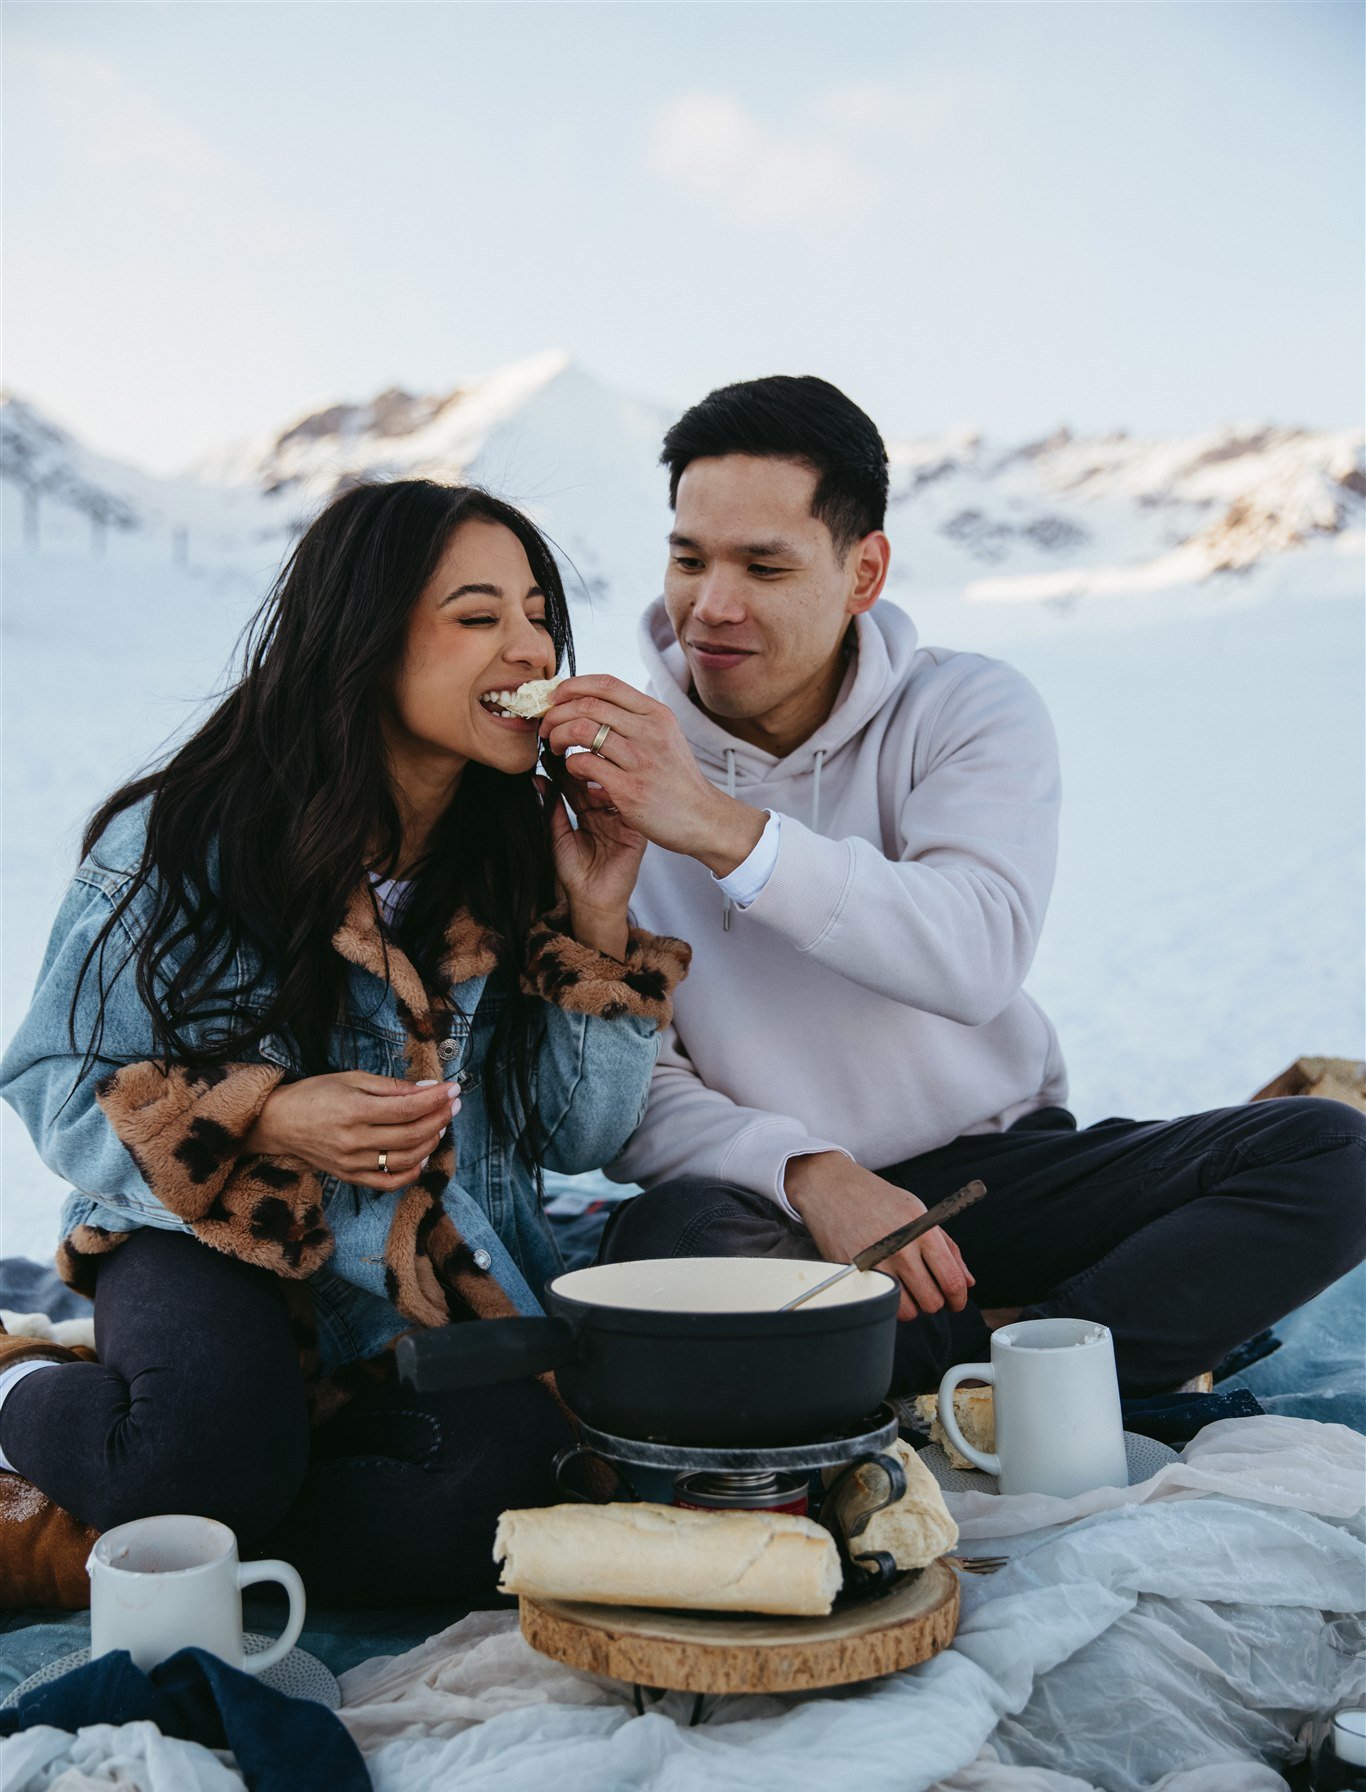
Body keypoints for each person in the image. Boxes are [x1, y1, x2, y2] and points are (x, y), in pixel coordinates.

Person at [539, 375, 1365, 1397]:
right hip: (781, 1205)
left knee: (1331, 1157)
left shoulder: (964, 707)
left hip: (997, 1176)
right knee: (669, 1246)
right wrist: (809, 1169)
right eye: (688, 557)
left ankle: (931, 1365)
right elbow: (637, 1087)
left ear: (863, 571)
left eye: (763, 564)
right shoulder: (605, 767)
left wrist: (715, 825)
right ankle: (1057, 1351)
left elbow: (974, 952)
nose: (711, 604)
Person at [0, 480, 688, 1604]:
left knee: (502, 1502)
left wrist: (598, 915)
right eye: (478, 617)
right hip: (203, 1237)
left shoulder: (516, 849)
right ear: (365, 644)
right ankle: (30, 1383)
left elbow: (581, 1136)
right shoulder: (183, 842)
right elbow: (50, 1084)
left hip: (409, 1275)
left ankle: (219, 1505)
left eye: (536, 613)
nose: (529, 645)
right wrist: (261, 1113)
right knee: (195, 1466)